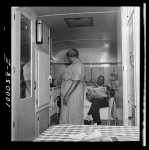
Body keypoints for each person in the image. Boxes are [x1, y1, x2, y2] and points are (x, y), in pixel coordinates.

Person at [59, 48, 85, 125]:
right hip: (71, 94)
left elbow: (76, 81)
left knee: (74, 114)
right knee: (67, 114)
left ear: (70, 57)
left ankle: (74, 133)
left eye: (68, 57)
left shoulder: (78, 65)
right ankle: (67, 131)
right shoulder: (73, 65)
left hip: (73, 94)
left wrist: (67, 95)